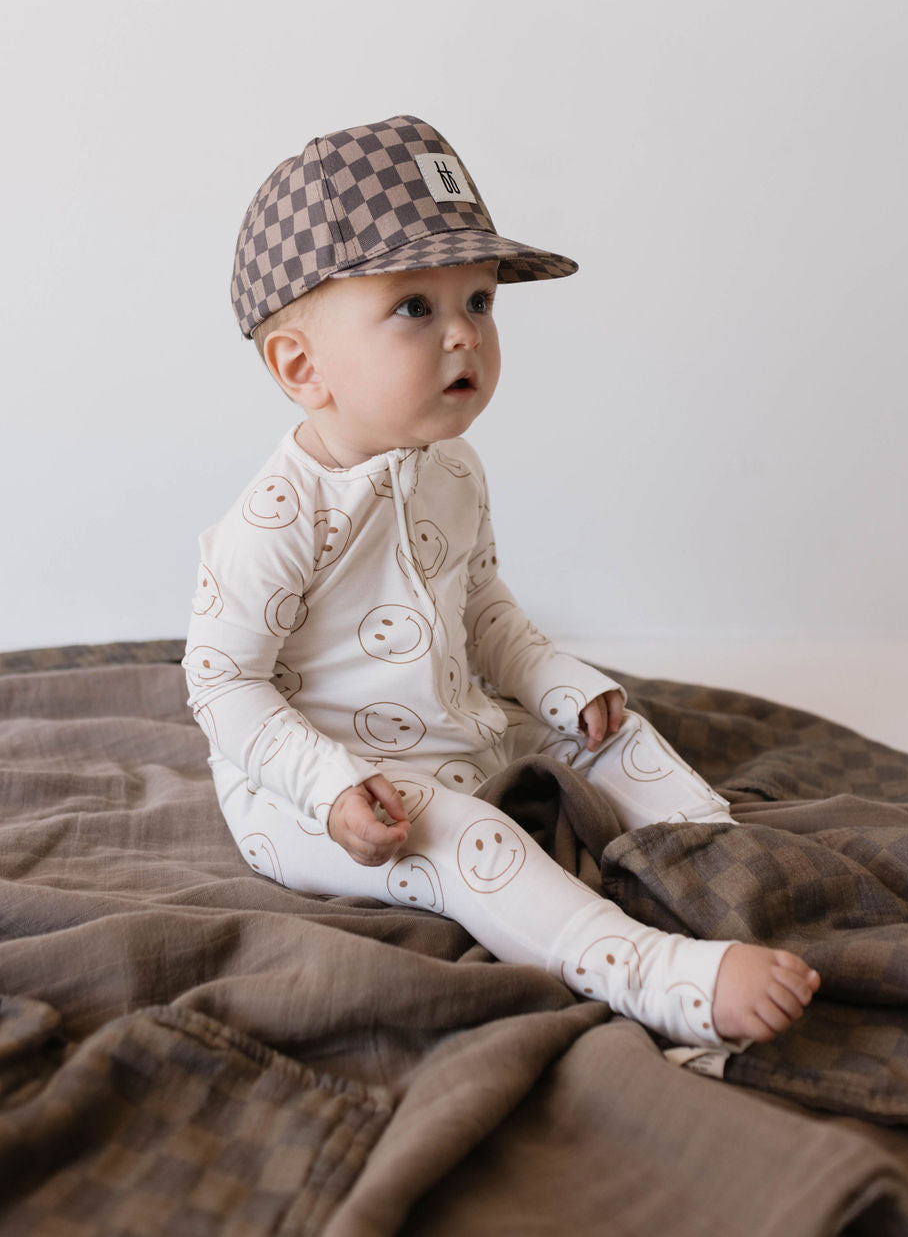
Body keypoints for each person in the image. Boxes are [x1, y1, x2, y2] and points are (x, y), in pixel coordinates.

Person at [184, 114, 819, 1057]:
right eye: (415, 308)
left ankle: (724, 861)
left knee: (606, 727)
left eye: (479, 300)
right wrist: (330, 786)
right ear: (301, 366)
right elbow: (221, 686)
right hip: (317, 794)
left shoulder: (454, 467)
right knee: (464, 840)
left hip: (448, 725)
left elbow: (481, 610)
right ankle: (648, 971)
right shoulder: (277, 520)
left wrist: (560, 681)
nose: (463, 336)